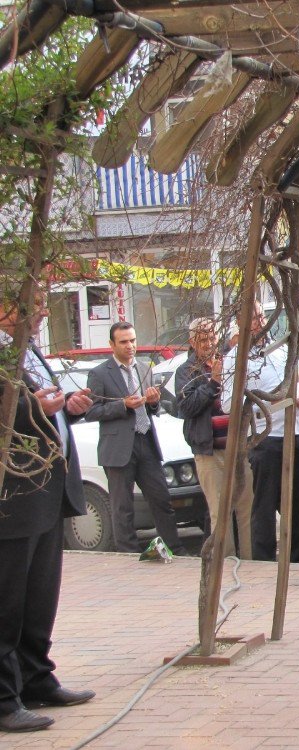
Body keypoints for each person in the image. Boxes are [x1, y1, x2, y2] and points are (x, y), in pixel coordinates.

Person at [1, 296, 95, 733]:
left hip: (46, 490)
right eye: (32, 304)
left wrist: (68, 407)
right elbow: (12, 415)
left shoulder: (29, 348)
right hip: (14, 493)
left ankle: (36, 677)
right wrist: (32, 408)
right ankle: (4, 698)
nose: (41, 311)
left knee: (40, 596)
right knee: (9, 600)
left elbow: (42, 407)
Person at [221, 304, 299, 563]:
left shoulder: (282, 348)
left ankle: (295, 561)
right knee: (264, 506)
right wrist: (275, 402)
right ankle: (263, 563)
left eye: (262, 315)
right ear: (240, 323)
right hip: (267, 437)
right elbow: (228, 404)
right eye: (252, 317)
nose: (259, 321)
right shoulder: (236, 358)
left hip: (298, 432)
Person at [85, 322, 185, 554]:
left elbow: (153, 407)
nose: (130, 346)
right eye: (123, 342)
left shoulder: (144, 368)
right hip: (118, 447)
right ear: (112, 344)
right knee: (122, 506)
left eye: (132, 340)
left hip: (146, 441)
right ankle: (127, 553)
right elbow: (91, 412)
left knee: (161, 499)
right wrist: (122, 405)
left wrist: (153, 402)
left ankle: (173, 549)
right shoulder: (100, 373)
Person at [174, 317, 253, 558]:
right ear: (192, 342)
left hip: (239, 448)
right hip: (209, 451)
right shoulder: (186, 371)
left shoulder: (229, 361)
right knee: (220, 512)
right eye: (202, 339)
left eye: (211, 337)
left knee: (246, 508)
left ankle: (253, 561)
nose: (208, 343)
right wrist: (213, 382)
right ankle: (226, 563)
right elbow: (186, 408)